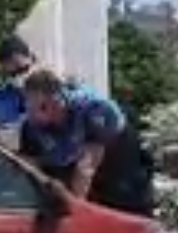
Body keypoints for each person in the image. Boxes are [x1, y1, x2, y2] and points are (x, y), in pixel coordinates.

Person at [20, 67, 154, 217]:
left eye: (42, 107)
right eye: (29, 107)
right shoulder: (31, 125)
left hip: (117, 164)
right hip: (73, 165)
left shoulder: (93, 109)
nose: (34, 114)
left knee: (125, 210)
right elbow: (30, 169)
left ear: (58, 99)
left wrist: (74, 213)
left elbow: (86, 167)